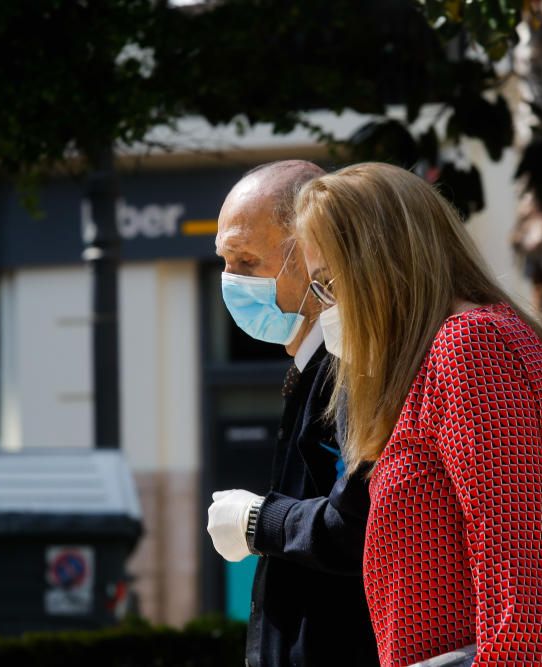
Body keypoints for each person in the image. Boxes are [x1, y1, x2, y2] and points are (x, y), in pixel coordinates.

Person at [294, 162, 542, 667]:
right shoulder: (464, 343)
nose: (328, 303)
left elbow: (514, 559)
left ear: (378, 263)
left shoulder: (468, 344)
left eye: (328, 281)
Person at [206, 161, 379, 667]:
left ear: (312, 255)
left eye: (246, 261)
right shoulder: (318, 365)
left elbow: (360, 523)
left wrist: (259, 521)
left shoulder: (348, 368)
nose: (230, 280)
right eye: (224, 260)